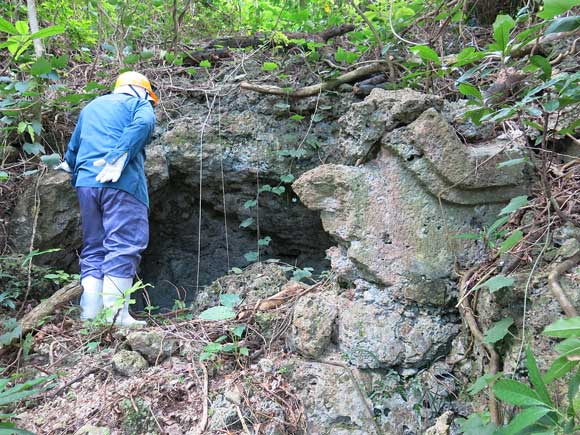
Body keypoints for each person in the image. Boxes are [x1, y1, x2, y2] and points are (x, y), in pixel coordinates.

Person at [57, 71, 158, 327]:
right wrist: (119, 154)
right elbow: (144, 125)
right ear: (142, 90)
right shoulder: (139, 103)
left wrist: (70, 164)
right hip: (121, 184)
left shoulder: (92, 106)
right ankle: (117, 317)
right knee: (124, 243)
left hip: (87, 184)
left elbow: (74, 147)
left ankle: (90, 316)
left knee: (94, 247)